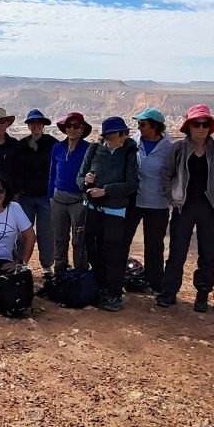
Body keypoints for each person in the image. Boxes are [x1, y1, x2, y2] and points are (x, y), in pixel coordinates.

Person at [161, 105, 214, 311]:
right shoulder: (179, 148)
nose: (201, 128)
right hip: (184, 208)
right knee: (177, 252)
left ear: (210, 127)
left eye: (205, 124)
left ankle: (202, 295)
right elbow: (167, 174)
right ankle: (169, 293)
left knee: (208, 254)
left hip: (209, 209)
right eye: (196, 124)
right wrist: (171, 198)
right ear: (188, 126)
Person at [79, 117, 140, 312]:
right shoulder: (94, 149)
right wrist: (87, 182)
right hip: (92, 210)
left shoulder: (130, 152)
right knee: (94, 252)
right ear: (109, 135)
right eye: (121, 133)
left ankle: (114, 294)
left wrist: (106, 190)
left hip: (115, 212)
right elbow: (79, 179)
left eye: (125, 132)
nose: (125, 136)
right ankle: (99, 289)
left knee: (114, 253)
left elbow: (132, 184)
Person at [125, 108, 174, 295]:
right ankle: (119, 277)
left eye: (143, 124)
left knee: (154, 245)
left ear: (155, 126)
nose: (139, 127)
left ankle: (155, 284)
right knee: (123, 239)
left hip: (158, 203)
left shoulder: (169, 148)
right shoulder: (134, 142)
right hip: (134, 201)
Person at [48, 112, 92, 276]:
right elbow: (52, 173)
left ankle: (81, 273)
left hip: (78, 200)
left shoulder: (87, 149)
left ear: (82, 129)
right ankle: (60, 273)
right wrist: (50, 196)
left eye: (76, 126)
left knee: (79, 240)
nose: (72, 129)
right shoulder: (57, 148)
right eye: (69, 126)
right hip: (58, 199)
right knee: (60, 239)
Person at [14, 109, 57, 272]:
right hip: (25, 197)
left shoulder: (52, 144)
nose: (36, 125)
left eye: (39, 122)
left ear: (43, 125)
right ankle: (19, 264)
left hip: (46, 197)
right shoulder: (22, 145)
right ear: (29, 126)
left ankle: (47, 267)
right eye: (33, 123)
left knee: (47, 234)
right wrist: (16, 192)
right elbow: (16, 170)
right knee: (23, 233)